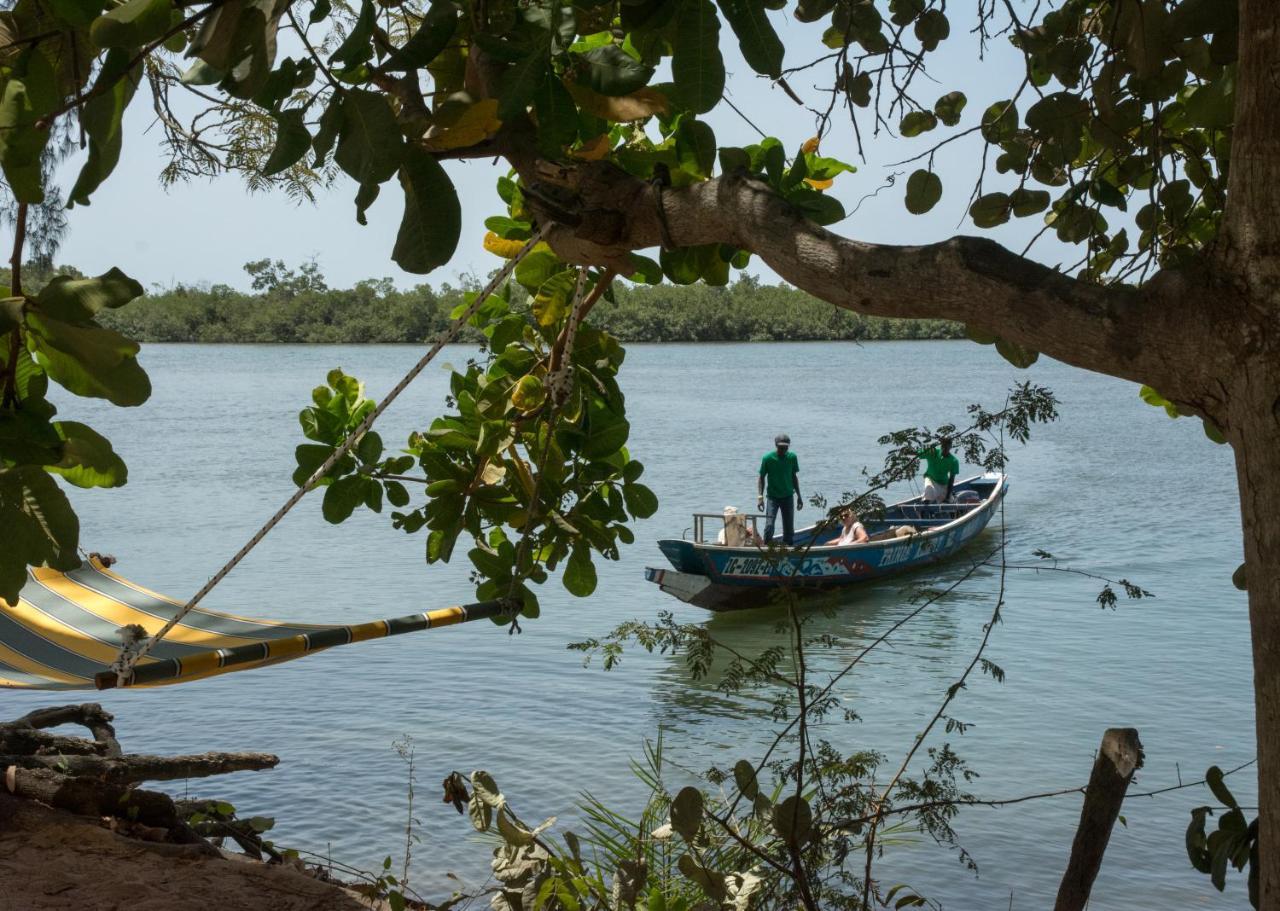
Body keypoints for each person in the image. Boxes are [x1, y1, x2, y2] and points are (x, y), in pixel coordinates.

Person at [757, 434, 801, 545]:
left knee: (789, 528)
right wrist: (760, 497)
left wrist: (799, 497)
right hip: (773, 497)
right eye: (781, 447)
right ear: (776, 445)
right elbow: (761, 477)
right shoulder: (767, 458)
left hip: (788, 496)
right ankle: (767, 547)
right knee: (769, 525)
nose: (783, 449)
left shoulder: (792, 457)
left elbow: (794, 477)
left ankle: (788, 548)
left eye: (786, 447)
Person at [916, 436, 960, 504]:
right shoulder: (932, 452)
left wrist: (947, 497)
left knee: (950, 505)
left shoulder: (953, 461)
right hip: (931, 479)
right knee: (929, 492)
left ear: (950, 446)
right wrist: (923, 448)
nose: (945, 448)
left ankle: (950, 500)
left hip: (944, 483)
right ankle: (923, 510)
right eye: (943, 446)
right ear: (941, 445)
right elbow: (917, 453)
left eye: (947, 447)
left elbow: (951, 480)